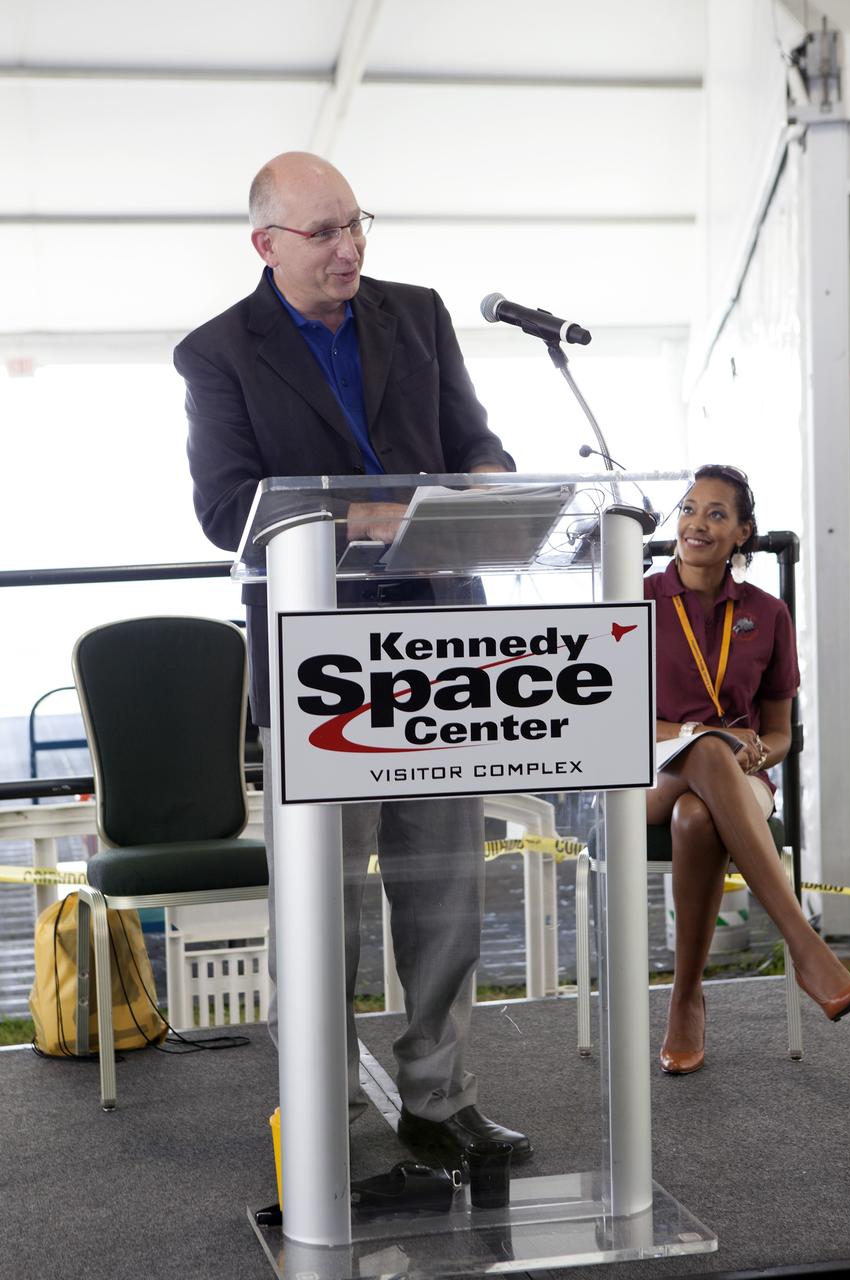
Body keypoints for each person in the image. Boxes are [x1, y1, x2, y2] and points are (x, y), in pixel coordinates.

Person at [173, 151, 531, 1160]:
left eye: (357, 222)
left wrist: (489, 483)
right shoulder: (216, 352)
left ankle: (438, 1098)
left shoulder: (416, 314)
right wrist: (365, 516)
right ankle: (324, 1107)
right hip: (319, 652)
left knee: (445, 885)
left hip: (443, 643)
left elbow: (474, 438)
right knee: (323, 898)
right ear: (267, 244)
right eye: (324, 231)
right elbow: (225, 508)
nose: (349, 246)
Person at [645, 463, 850, 1074]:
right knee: (707, 749)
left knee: (696, 819)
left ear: (742, 533)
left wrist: (758, 752)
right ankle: (805, 943)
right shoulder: (638, 600)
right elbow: (615, 718)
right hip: (649, 773)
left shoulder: (768, 613)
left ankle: (685, 1000)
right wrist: (701, 736)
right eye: (689, 509)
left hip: (741, 779)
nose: (697, 523)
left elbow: (780, 733)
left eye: (716, 514)